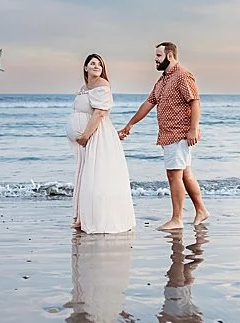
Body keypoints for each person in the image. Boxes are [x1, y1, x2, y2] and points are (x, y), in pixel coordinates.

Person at [119, 42, 208, 231]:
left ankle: (177, 219)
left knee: (174, 175)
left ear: (169, 56)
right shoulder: (162, 80)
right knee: (184, 173)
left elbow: (195, 103)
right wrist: (130, 124)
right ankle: (201, 210)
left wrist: (193, 129)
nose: (155, 60)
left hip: (179, 133)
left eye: (158, 56)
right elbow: (148, 103)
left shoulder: (182, 75)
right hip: (167, 134)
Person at [69, 54, 136, 233]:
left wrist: (85, 136)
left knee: (97, 177)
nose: (96, 66)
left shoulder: (103, 85)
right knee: (87, 177)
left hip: (95, 136)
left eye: (99, 64)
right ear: (85, 68)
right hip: (89, 137)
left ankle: (99, 219)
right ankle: (83, 217)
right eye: (92, 63)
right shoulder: (84, 87)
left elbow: (99, 113)